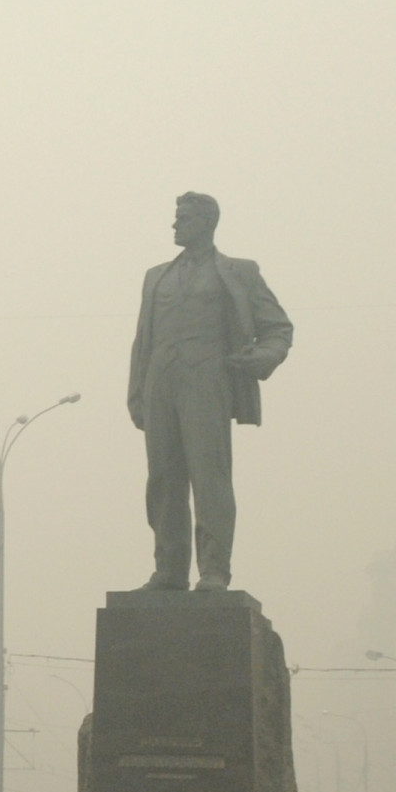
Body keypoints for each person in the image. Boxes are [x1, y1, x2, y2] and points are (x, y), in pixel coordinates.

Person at [127, 193, 292, 591]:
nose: (175, 224)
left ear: (206, 222)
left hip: (207, 380)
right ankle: (169, 569)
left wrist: (262, 357)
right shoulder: (155, 276)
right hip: (160, 383)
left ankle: (214, 570)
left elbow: (278, 329)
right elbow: (142, 341)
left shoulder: (239, 272)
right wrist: (136, 392)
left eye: (183, 217)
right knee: (163, 479)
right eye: (176, 216)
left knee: (209, 476)